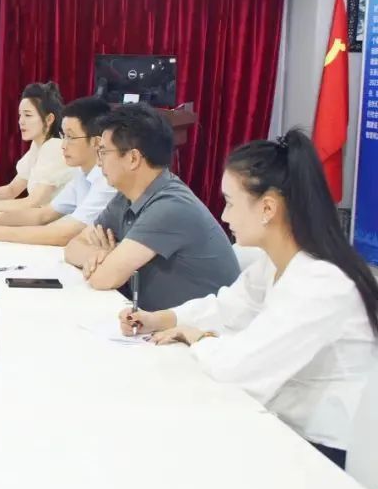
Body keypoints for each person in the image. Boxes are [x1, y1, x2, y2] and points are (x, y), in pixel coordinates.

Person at [120, 130, 378, 469]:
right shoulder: (276, 263)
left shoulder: (322, 283)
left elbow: (240, 368)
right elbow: (226, 308)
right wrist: (160, 319)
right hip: (287, 426)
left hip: (325, 452)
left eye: (229, 202)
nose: (224, 216)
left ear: (268, 208)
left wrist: (199, 337)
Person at [64, 103, 238, 309]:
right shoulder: (125, 197)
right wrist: (97, 255)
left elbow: (104, 278)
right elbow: (72, 247)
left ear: (133, 158)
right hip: (152, 320)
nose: (99, 162)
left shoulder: (171, 206)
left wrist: (108, 259)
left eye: (103, 152)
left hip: (200, 326)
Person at [0, 97, 116, 246]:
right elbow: (44, 214)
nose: (63, 145)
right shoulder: (81, 173)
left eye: (71, 137)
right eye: (64, 136)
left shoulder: (108, 180)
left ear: (97, 142)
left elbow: (67, 233)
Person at [0, 82, 74, 216]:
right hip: (42, 220)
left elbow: (32, 202)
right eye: (20, 115)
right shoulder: (38, 146)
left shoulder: (55, 148)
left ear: (49, 119)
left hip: (58, 224)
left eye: (28, 115)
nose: (21, 121)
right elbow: (12, 190)